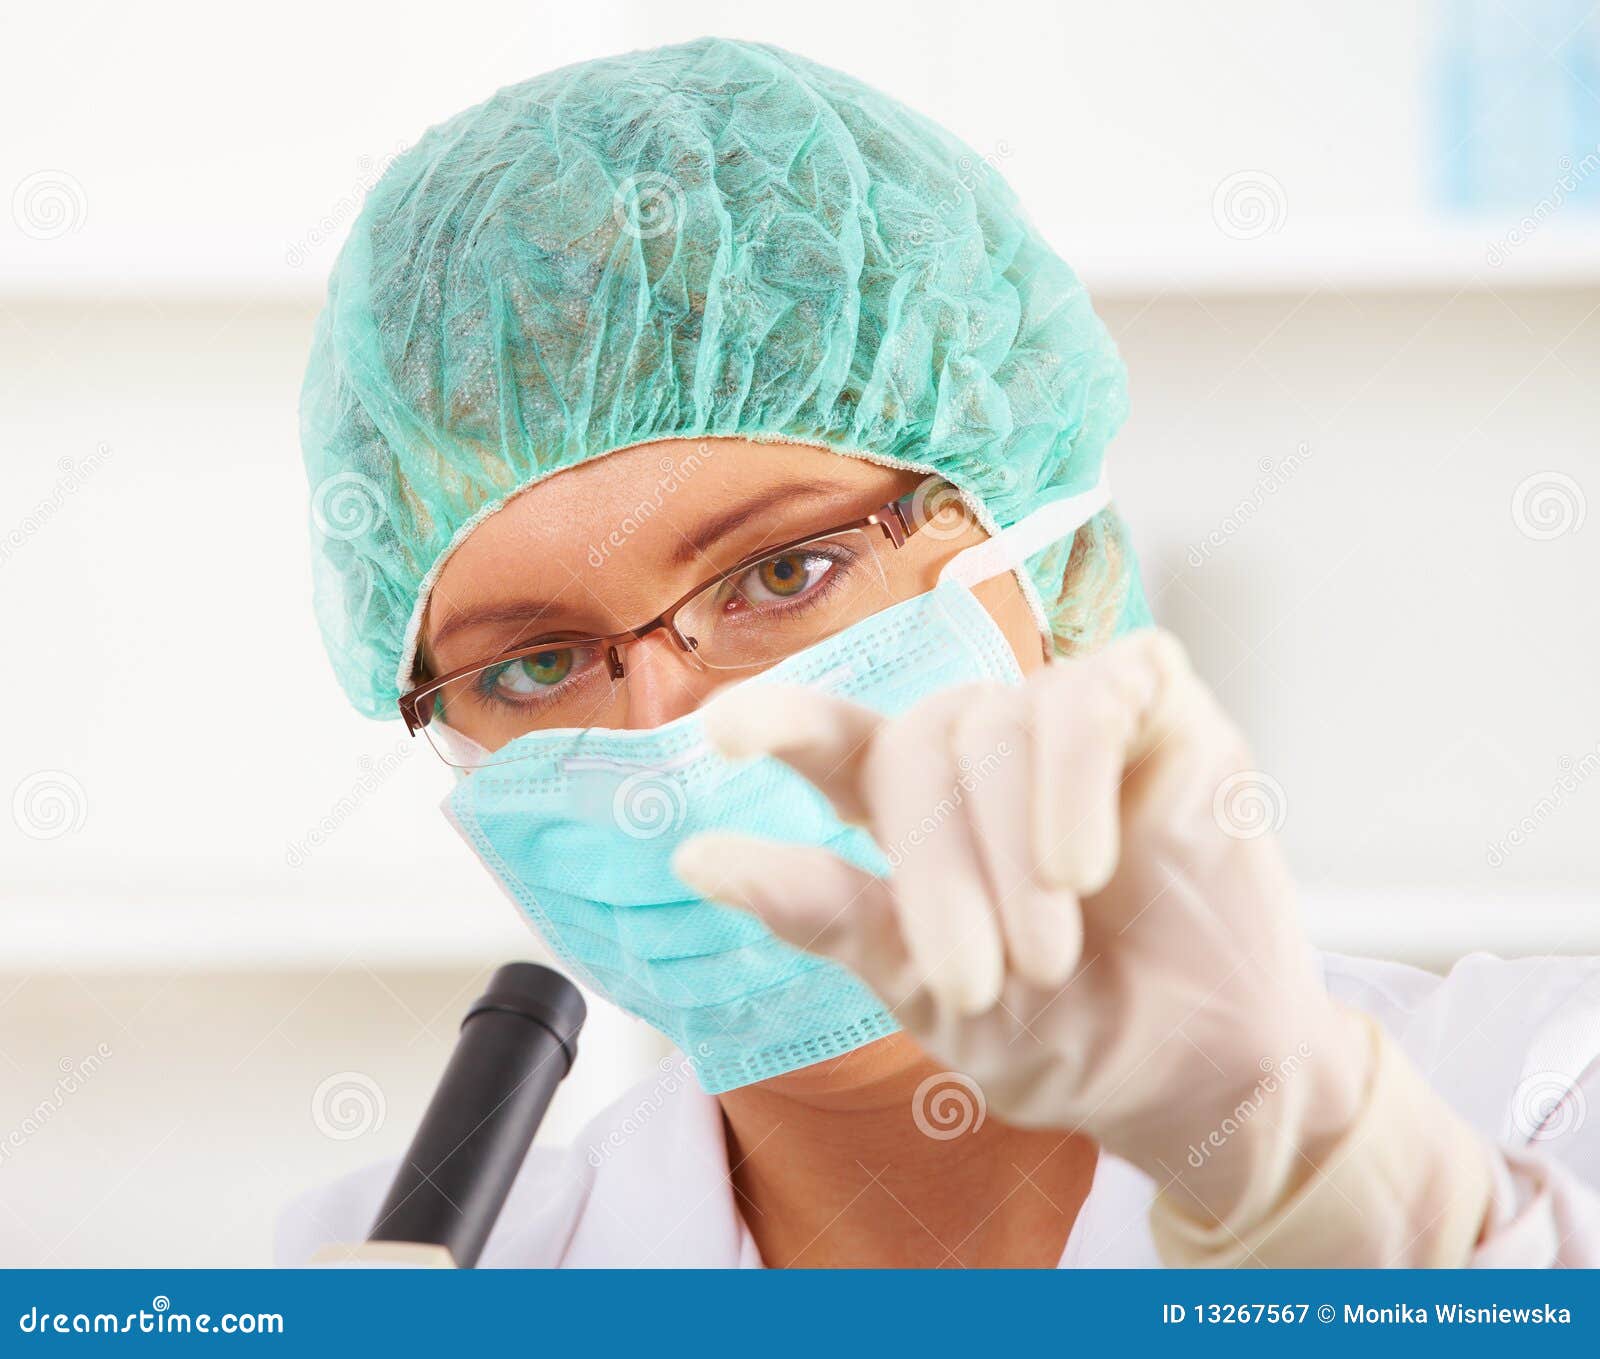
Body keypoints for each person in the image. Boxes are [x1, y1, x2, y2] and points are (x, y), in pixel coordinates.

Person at [281, 38, 1600, 1268]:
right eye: (537, 665)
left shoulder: (1542, 1099)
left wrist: (1324, 1175)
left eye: (780, 575)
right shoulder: (408, 1274)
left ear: (1043, 566)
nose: (663, 741)